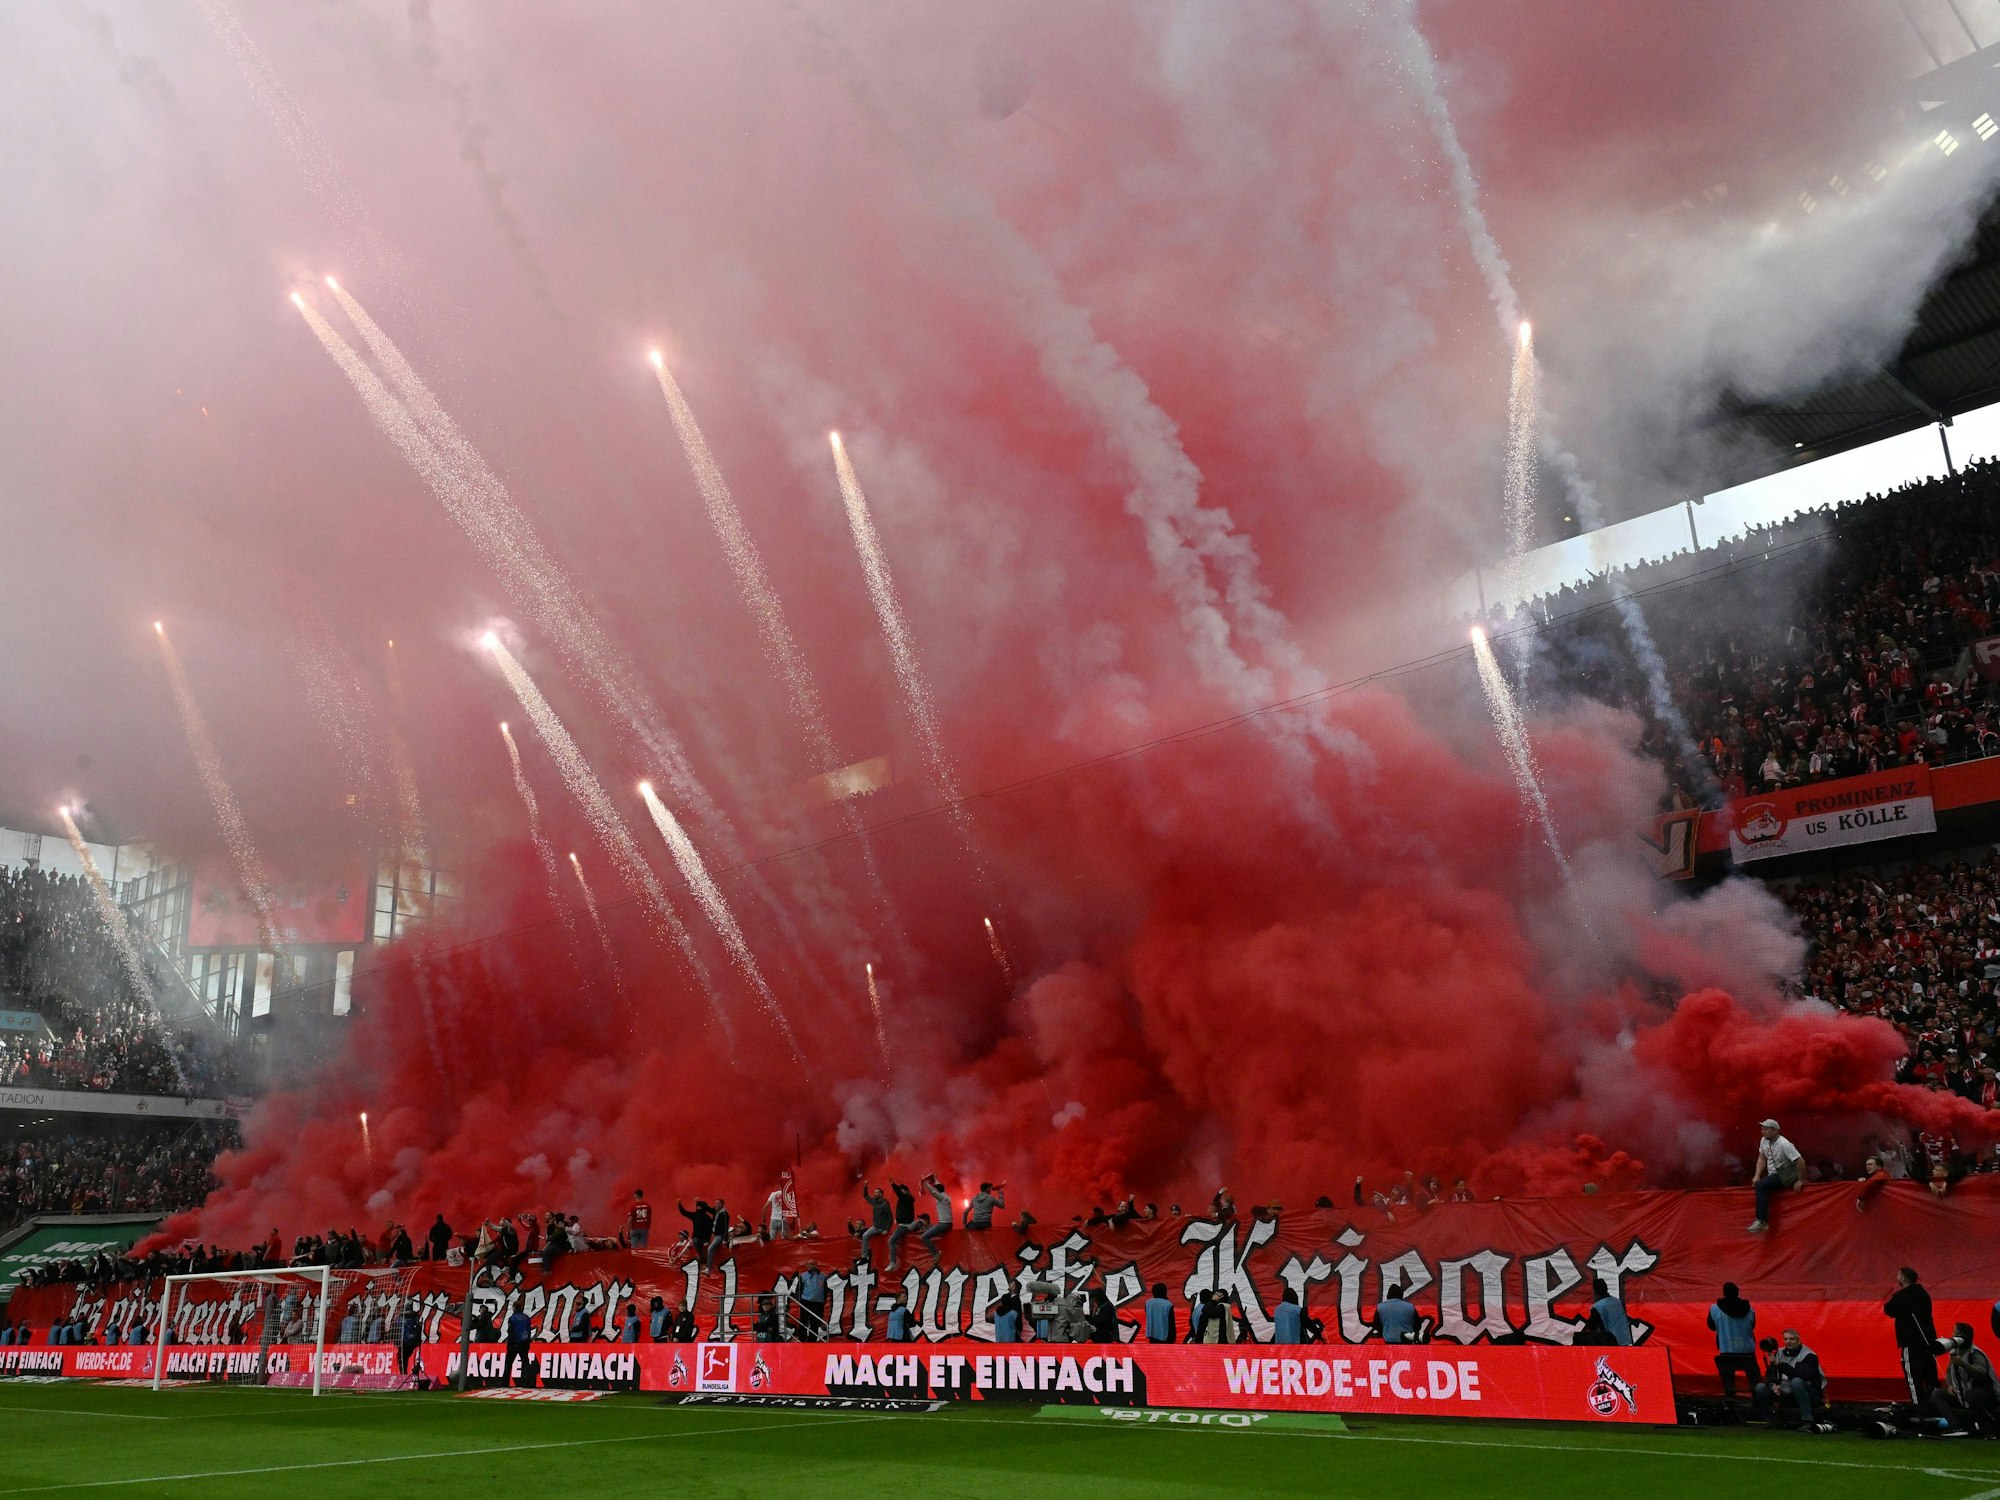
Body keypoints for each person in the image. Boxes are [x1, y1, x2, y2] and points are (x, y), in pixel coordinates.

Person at [1935, 1322, 2000, 1436]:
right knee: (1938, 1394)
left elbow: (1981, 1373)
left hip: (1984, 1395)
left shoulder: (1975, 1354)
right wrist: (1950, 1386)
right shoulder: (1954, 1352)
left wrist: (1963, 1364)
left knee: (1971, 1394)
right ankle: (1955, 1426)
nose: (1951, 1335)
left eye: (1954, 1332)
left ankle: (1986, 1428)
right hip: (1962, 1394)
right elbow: (1949, 1371)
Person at [1888, 1266, 1941, 1403]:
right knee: (1931, 1377)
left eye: (1898, 1275)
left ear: (1904, 1277)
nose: (1897, 1278)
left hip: (1911, 1344)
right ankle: (1938, 1405)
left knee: (1914, 1379)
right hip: (1928, 1342)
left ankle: (1919, 1408)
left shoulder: (1901, 1296)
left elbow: (1889, 1309)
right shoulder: (1923, 1294)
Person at [1754, 1330, 1825, 1429]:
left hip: (1808, 1392)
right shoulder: (1779, 1352)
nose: (1788, 1342)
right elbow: (1770, 1375)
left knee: (1796, 1381)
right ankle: (1769, 1419)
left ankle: (1807, 1420)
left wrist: (1779, 1364)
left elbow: (1801, 1375)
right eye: (1785, 1339)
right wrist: (1773, 1385)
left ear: (1798, 1341)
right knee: (1760, 1387)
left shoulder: (1809, 1356)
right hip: (1784, 1390)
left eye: (1792, 1339)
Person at [1708, 1283, 1759, 1409]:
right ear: (1738, 1292)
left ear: (1724, 1293)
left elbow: (1711, 1326)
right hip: (1747, 1351)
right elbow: (1752, 1325)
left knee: (1728, 1380)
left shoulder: (1714, 1309)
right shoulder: (1749, 1308)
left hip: (1726, 1350)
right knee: (1754, 1379)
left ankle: (1730, 1403)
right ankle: (1757, 1403)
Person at [1748, 1119, 1804, 1233]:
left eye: (1766, 1129)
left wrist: (1800, 1180)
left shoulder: (1784, 1144)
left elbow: (1800, 1161)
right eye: (1762, 1129)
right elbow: (1762, 1158)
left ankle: (1762, 1221)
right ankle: (1761, 1221)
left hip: (1785, 1175)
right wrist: (1757, 1175)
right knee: (1761, 1183)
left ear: (1775, 1131)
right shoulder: (1764, 1140)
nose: (1762, 1131)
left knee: (1761, 1186)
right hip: (1774, 1174)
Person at [1585, 1278, 1633, 1347]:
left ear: (1595, 1291)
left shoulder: (1597, 1306)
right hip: (1624, 1341)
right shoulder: (1617, 1301)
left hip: (1610, 1343)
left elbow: (1591, 1326)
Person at [885, 1180, 918, 1270]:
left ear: (905, 1191)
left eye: (902, 1191)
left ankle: (892, 1262)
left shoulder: (906, 1197)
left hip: (904, 1225)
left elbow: (899, 1193)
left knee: (891, 1241)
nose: (900, 1193)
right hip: (904, 1224)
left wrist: (893, 1183)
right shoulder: (907, 1198)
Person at [858, 1182, 893, 1266]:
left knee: (886, 1243)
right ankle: (864, 1257)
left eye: (876, 1192)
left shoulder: (885, 1203)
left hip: (883, 1228)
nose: (874, 1194)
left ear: (881, 1194)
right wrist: (865, 1186)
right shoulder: (874, 1201)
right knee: (865, 1236)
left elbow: (890, 1217)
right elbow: (866, 1196)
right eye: (874, 1192)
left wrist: (887, 1229)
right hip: (875, 1227)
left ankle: (890, 1260)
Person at [920, 1175, 952, 1263]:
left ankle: (935, 1253)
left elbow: (933, 1192)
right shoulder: (946, 1195)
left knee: (924, 1237)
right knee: (928, 1228)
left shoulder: (941, 1197)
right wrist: (935, 1178)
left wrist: (925, 1183)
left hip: (944, 1225)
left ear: (938, 1191)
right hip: (946, 1224)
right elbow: (939, 1187)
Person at [794, 1260, 828, 1341]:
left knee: (815, 1322)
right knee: (803, 1321)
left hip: (818, 1303)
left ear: (816, 1265)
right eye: (808, 1264)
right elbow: (798, 1289)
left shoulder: (822, 1277)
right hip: (806, 1302)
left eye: (811, 1264)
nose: (808, 1265)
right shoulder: (803, 1276)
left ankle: (812, 1341)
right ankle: (802, 1339)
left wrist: (823, 1301)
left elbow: (825, 1290)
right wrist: (800, 1301)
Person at [503, 1306, 534, 1386]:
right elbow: (528, 1329)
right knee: (525, 1362)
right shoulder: (526, 1317)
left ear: (514, 1308)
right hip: (524, 1342)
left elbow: (511, 1332)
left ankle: (505, 1382)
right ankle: (528, 1382)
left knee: (508, 1363)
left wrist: (510, 1344)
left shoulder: (512, 1318)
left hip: (515, 1343)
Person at [397, 1305, 424, 1375]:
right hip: (412, 1343)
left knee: (402, 1358)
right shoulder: (415, 1318)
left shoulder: (402, 1319)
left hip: (406, 1343)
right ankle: (406, 1373)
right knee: (404, 1358)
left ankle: (403, 1373)